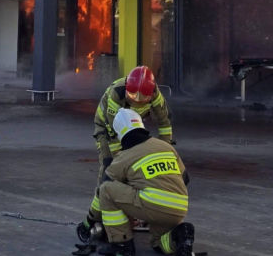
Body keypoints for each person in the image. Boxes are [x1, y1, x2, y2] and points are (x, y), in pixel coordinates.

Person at [77, 66, 174, 244]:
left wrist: (164, 148)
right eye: (133, 96)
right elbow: (116, 131)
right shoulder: (117, 93)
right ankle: (97, 216)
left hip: (134, 127)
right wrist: (124, 159)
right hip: (108, 130)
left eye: (142, 98)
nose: (137, 101)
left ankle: (132, 210)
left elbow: (164, 122)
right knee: (109, 170)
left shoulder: (155, 94)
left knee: (139, 167)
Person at [97, 107, 194, 256]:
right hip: (179, 208)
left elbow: (105, 186)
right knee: (158, 243)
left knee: (106, 190)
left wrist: (92, 218)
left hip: (152, 205)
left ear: (120, 133)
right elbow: (185, 178)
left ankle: (122, 245)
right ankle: (179, 235)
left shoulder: (125, 156)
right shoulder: (165, 147)